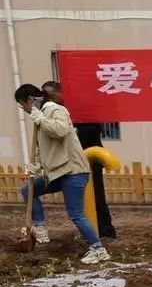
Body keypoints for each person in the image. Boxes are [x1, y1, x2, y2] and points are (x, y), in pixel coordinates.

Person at [13, 83, 109, 265]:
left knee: (76, 214)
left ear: (30, 101)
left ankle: (98, 249)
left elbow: (61, 131)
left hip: (73, 171)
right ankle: (40, 226)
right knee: (28, 189)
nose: (23, 109)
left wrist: (41, 119)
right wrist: (37, 165)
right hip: (57, 172)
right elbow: (47, 148)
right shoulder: (39, 118)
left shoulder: (56, 110)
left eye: (22, 104)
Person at [42, 80, 117, 239]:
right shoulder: (59, 111)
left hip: (90, 161)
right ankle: (89, 230)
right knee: (80, 201)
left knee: (97, 197)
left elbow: (93, 130)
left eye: (51, 95)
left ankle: (105, 230)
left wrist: (73, 132)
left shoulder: (84, 111)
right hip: (72, 163)